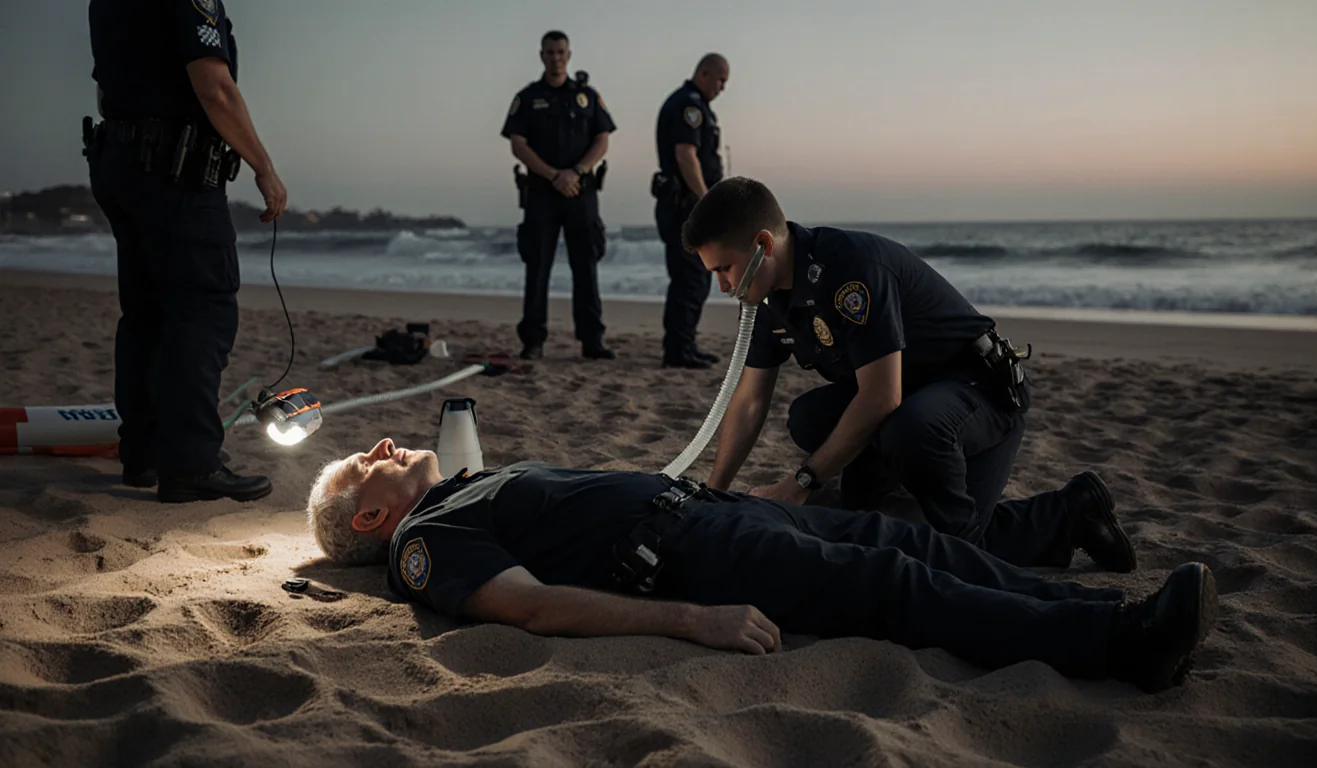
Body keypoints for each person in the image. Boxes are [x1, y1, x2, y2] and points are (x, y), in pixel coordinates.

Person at [305, 438, 1219, 694]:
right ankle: (1120, 643)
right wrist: (690, 620)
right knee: (890, 589)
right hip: (685, 557)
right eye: (364, 463)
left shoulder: (464, 489)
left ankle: (1089, 609)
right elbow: (533, 610)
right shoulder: (425, 547)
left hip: (707, 512)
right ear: (376, 517)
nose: (381, 445)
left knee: (914, 544)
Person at [680, 177, 1137, 573]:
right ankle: (897, 506)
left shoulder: (848, 271)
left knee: (950, 548)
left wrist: (801, 482)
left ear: (763, 245)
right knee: (808, 417)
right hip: (914, 397)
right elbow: (750, 399)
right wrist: (715, 495)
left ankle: (1071, 510)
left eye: (724, 269)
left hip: (978, 389)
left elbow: (881, 398)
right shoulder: (766, 294)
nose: (722, 286)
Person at [86, 0, 286, 503]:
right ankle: (192, 464)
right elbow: (213, 86)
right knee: (203, 311)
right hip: (173, 170)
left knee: (146, 313)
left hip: (121, 160)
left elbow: (106, 91)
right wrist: (262, 166)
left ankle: (145, 455)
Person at [502, 30, 617, 362]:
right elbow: (517, 144)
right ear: (541, 56)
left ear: (569, 55)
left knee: (586, 267)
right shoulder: (527, 98)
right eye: (550, 52)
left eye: (561, 52)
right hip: (542, 193)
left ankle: (592, 341)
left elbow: (602, 139)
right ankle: (533, 341)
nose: (556, 58)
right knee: (538, 268)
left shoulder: (587, 96)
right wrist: (554, 176)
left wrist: (576, 172)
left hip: (581, 192)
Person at [653, 54, 731, 369]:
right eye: (720, 80)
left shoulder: (698, 105)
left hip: (688, 205)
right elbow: (686, 155)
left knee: (696, 277)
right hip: (685, 206)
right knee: (690, 278)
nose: (723, 88)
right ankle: (678, 350)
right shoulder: (689, 105)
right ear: (704, 73)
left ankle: (685, 343)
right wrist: (705, 200)